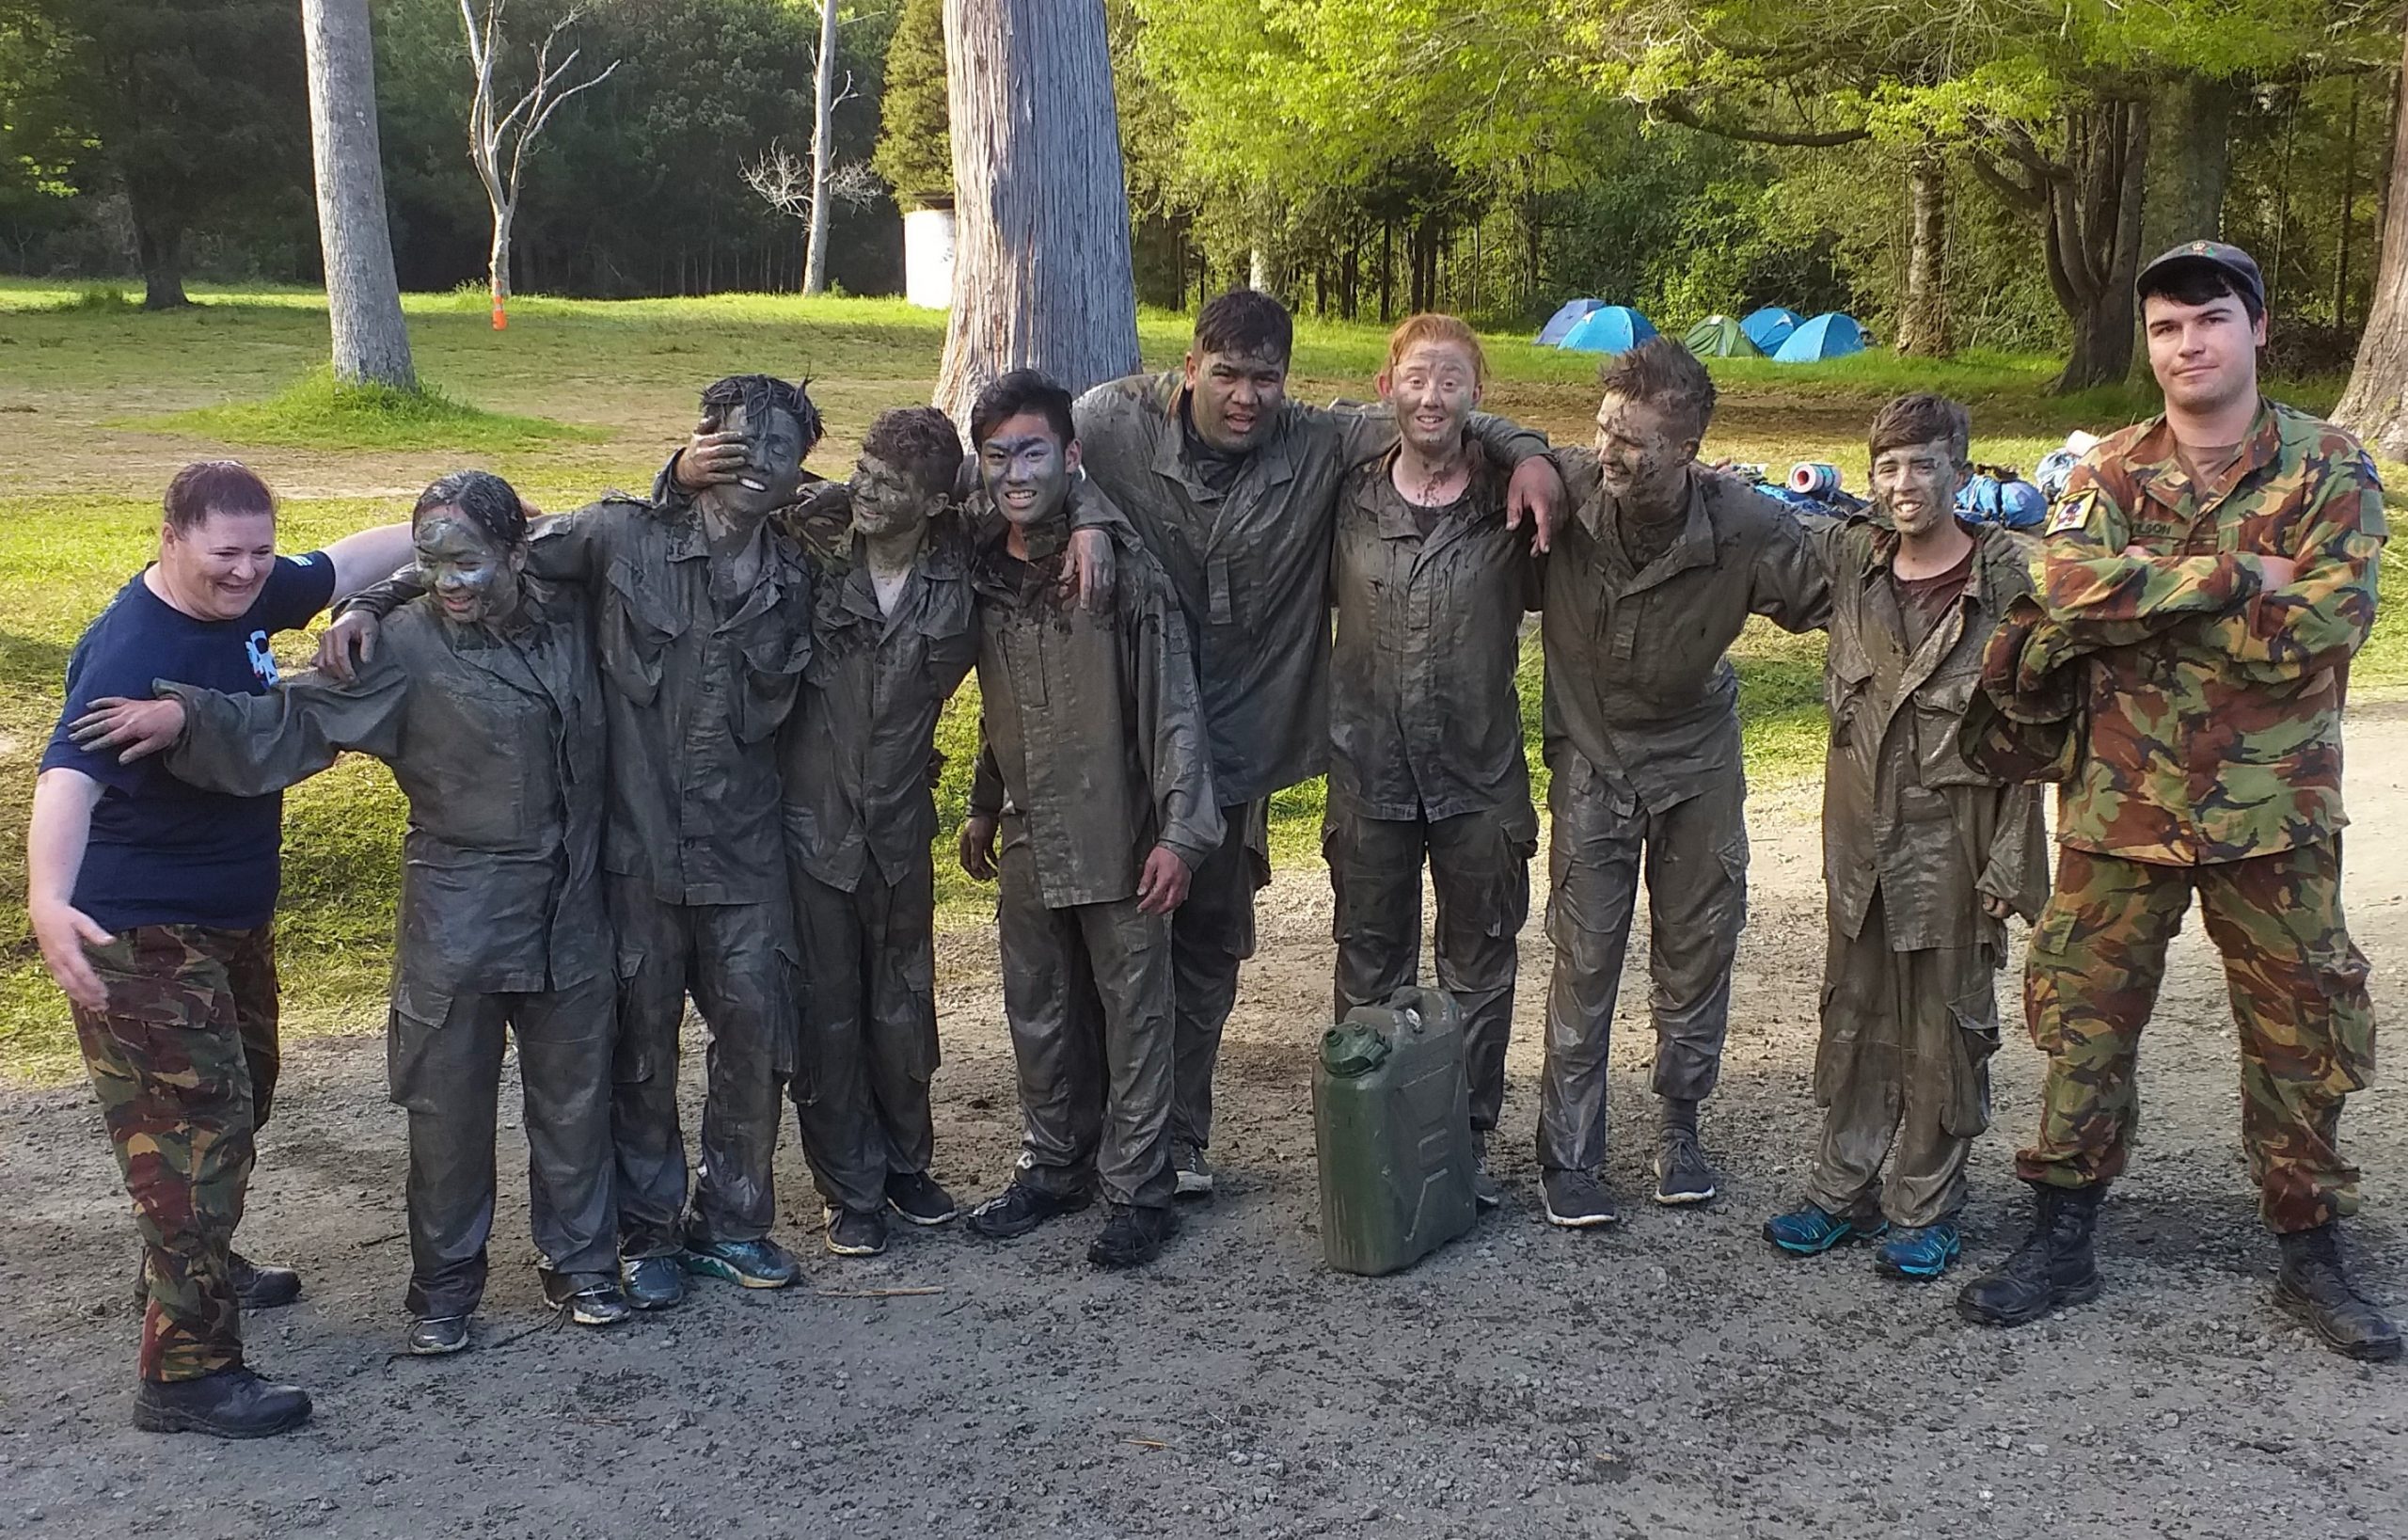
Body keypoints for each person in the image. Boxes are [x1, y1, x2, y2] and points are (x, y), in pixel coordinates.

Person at [1957, 241, 2398, 1360]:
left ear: (2256, 328)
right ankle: (2061, 1234)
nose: (2186, 343)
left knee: (2302, 1029)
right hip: (2120, 806)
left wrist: (2140, 602)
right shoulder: (2101, 471)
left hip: (2274, 813)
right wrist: (2241, 573)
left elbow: (2325, 627)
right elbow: (2060, 590)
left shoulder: (2328, 467)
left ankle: (2311, 1247)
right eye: (2163, 326)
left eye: (2207, 318)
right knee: (2083, 1025)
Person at [78, 471, 630, 1354]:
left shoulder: (575, 611)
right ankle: (445, 1289)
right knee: (447, 1109)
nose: (450, 580)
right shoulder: (402, 649)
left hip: (573, 906)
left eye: (469, 562)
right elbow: (294, 718)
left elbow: (623, 531)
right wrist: (187, 716)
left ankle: (585, 1264)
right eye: (432, 563)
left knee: (575, 1096)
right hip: (458, 912)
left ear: (516, 554)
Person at [323, 375, 819, 1309]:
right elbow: (479, 558)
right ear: (699, 447)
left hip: (745, 860)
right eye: (735, 444)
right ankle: (645, 1229)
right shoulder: (617, 536)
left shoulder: (803, 568)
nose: (756, 465)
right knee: (637, 1048)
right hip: (630, 856)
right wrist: (368, 604)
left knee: (758, 1039)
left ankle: (738, 1220)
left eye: (780, 450)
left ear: (802, 472)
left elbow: (933, 504)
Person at [1072, 290, 1563, 1198]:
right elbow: (1025, 455)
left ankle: (1182, 1137)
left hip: (1243, 741)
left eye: (1266, 377)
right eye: (1227, 374)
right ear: (1190, 367)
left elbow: (1434, 414)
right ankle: (1073, 1144)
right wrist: (1085, 517)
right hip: (1124, 724)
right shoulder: (1113, 420)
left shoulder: (1318, 443)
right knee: (1099, 936)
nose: (1247, 396)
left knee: (1209, 947)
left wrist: (1527, 453)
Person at [29, 459, 412, 1437]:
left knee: (239, 1099)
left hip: (229, 920)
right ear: (170, 538)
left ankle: (192, 1257)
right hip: (140, 928)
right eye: (224, 553)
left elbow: (345, 561)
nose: (247, 572)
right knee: (193, 1138)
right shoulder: (131, 645)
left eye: (258, 550)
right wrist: (46, 899)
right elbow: (67, 777)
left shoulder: (247, 590)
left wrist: (452, 509)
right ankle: (187, 1371)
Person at [1535, 337, 1830, 1228]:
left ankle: (1680, 1126)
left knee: (1698, 947)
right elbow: (1480, 447)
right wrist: (1524, 460)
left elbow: (1840, 596)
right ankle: (1570, 1154)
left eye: (1633, 441)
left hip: (1697, 755)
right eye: (1602, 430)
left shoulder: (1744, 524)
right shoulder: (1565, 488)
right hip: (1594, 750)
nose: (1609, 453)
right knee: (1584, 954)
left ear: (1688, 450)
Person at [1761, 395, 2048, 1279]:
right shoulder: (1855, 565)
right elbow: (1751, 529)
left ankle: (1926, 1202)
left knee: (1945, 1027)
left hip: (1954, 845)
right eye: (1888, 466)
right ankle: (1839, 1187)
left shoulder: (2005, 590)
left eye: (1924, 464)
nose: (1905, 484)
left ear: (1961, 470)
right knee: (1850, 1017)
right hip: (1861, 849)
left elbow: (2036, 734)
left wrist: (2010, 859)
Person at [954, 370, 1224, 1269]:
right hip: (1031, 834)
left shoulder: (1123, 574)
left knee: (1135, 1013)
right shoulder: (988, 565)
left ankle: (1140, 1188)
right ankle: (1054, 1163)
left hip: (1120, 829)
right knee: (1039, 1010)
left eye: (1032, 450)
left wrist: (1182, 834)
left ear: (1070, 454)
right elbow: (1007, 706)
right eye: (998, 455)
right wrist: (983, 806)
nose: (1015, 471)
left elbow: (1174, 707)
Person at [1324, 314, 1538, 1205]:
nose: (1432, 396)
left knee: (1477, 966)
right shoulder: (1343, 491)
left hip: (1478, 777)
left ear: (1477, 397)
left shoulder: (1518, 498)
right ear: (1387, 387)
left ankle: (1466, 1140)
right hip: (1369, 773)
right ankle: (1368, 1136)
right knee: (1369, 964)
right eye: (1416, 377)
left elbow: (1560, 458)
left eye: (1453, 380)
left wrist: (1518, 452)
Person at [777, 408, 979, 1257]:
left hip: (899, 831)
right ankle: (848, 1186)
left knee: (903, 1007)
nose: (863, 486)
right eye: (861, 466)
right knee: (827, 1012)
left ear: (933, 503)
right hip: (813, 830)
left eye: (887, 482)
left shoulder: (960, 574)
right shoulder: (812, 540)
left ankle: (906, 1163)